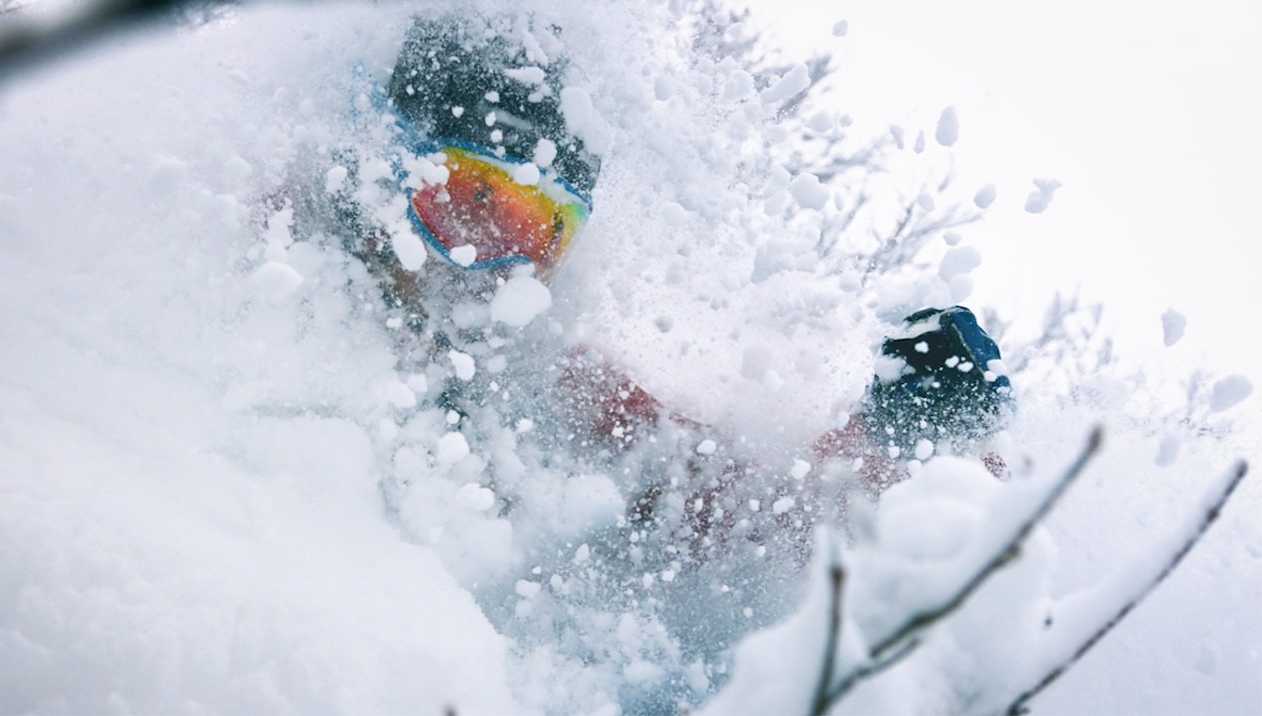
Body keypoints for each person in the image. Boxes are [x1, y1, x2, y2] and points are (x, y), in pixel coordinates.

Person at [282, 14, 1013, 548]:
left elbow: (708, 487)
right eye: (475, 203)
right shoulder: (275, 271)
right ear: (386, 170)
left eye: (539, 232)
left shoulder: (534, 378)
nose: (497, 268)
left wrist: (891, 463)